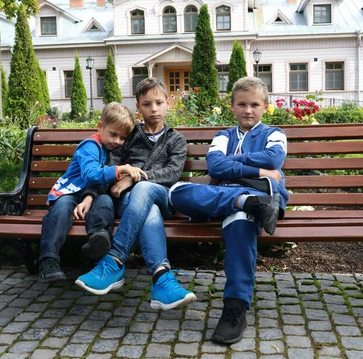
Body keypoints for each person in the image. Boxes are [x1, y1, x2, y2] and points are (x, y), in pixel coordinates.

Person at [169, 76, 290, 344]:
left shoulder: (274, 134)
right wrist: (258, 170)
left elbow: (273, 158)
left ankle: (234, 309)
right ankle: (240, 200)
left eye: (255, 105)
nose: (248, 110)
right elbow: (214, 167)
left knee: (242, 220)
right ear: (232, 106)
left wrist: (233, 162)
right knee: (177, 192)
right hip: (234, 194)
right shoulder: (223, 135)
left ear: (265, 106)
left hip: (260, 195)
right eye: (242, 104)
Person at [74, 77, 196, 310]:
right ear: (138, 106)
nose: (154, 109)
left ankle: (114, 259)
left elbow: (171, 173)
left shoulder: (175, 139)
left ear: (168, 103)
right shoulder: (129, 136)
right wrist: (90, 195)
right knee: (147, 210)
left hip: (163, 198)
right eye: (147, 104)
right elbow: (108, 168)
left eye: (159, 103)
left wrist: (133, 177)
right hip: (130, 203)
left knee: (144, 187)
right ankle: (162, 279)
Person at [38, 102, 146, 283]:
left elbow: (102, 185)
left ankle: (99, 238)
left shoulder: (111, 150)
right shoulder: (89, 145)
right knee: (62, 207)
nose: (117, 141)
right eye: (113, 134)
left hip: (90, 195)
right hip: (69, 192)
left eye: (122, 138)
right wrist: (121, 169)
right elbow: (91, 174)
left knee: (105, 201)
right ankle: (48, 260)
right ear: (100, 127)